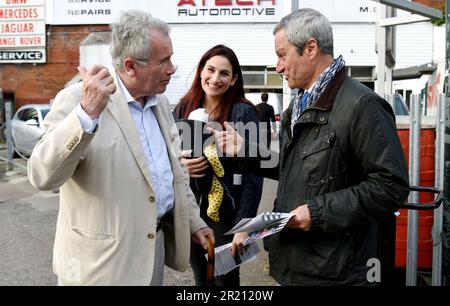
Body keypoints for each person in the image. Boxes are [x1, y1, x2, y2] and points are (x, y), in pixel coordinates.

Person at [210, 8, 409, 286]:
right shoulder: (297, 107)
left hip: (336, 272)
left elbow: (390, 188)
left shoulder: (363, 106)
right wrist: (247, 152)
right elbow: (299, 169)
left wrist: (315, 213)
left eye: (282, 55)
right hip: (298, 265)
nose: (278, 67)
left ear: (311, 48)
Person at [27, 10, 214, 286]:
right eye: (164, 61)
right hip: (100, 269)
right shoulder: (78, 100)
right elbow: (41, 176)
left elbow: (173, 174)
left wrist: (194, 222)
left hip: (151, 256)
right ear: (130, 66)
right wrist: (86, 114)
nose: (172, 68)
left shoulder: (160, 103)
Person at [173, 44, 263, 286]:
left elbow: (255, 175)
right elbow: (166, 158)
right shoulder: (183, 108)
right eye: (210, 70)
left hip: (228, 217)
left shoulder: (244, 113)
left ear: (234, 80)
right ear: (201, 71)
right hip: (193, 214)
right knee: (202, 280)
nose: (215, 79)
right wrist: (181, 165)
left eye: (224, 73)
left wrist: (245, 225)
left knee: (226, 280)